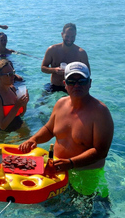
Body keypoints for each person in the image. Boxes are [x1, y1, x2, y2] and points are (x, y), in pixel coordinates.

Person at [19, 62, 113, 197]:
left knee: (86, 213)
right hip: (58, 169)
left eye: (82, 81)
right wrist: (34, 139)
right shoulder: (60, 103)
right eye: (71, 81)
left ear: (90, 83)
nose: (76, 85)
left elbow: (101, 152)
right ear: (65, 84)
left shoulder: (100, 112)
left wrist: (71, 163)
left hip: (84, 174)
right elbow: (49, 129)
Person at [41, 23, 90, 93]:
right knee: (40, 103)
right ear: (62, 34)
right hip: (54, 86)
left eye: (72, 37)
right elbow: (43, 68)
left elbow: (88, 74)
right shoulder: (52, 50)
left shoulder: (81, 53)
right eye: (67, 36)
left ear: (75, 36)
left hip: (72, 88)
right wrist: (54, 70)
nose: (69, 39)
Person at [0, 59, 29, 132]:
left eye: (13, 73)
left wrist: (24, 103)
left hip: (17, 127)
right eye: (9, 74)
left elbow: (21, 114)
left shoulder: (12, 89)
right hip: (0, 133)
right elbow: (2, 126)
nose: (13, 76)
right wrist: (17, 106)